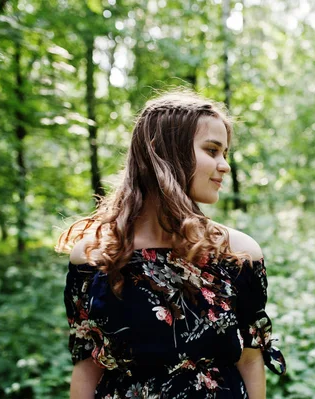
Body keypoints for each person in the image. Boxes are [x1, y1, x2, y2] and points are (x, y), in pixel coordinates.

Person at [56, 91, 286, 399]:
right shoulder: (95, 255)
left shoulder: (237, 254)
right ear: (165, 153)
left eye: (224, 153)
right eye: (212, 150)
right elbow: (88, 367)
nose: (224, 166)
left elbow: (250, 358)